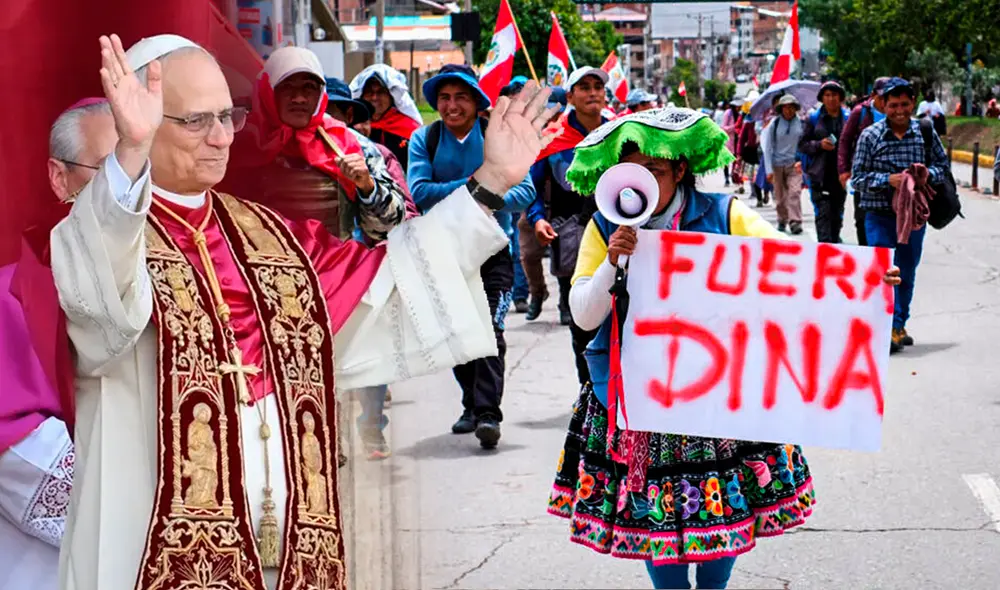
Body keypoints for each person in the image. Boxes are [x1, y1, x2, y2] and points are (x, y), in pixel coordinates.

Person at [51, 33, 558, 590]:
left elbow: (391, 278)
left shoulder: (271, 236)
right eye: (196, 121)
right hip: (150, 545)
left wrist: (490, 185)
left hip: (290, 539)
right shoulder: (105, 230)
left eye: (228, 116)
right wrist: (129, 156)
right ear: (141, 120)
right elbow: (100, 311)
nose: (221, 138)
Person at [548, 108, 815, 589]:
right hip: (645, 402)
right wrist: (612, 263)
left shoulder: (725, 214)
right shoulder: (603, 228)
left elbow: (793, 266)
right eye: (631, 170)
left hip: (721, 395)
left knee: (726, 518)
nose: (642, 182)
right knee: (660, 521)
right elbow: (585, 315)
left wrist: (863, 283)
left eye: (654, 170)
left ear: (680, 171)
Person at [0, 98, 117, 590]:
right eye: (111, 171)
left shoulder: (192, 288)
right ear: (59, 178)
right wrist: (143, 504)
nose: (134, 195)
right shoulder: (10, 299)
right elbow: (14, 447)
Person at [407, 64, 536, 448]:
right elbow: (419, 190)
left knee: (489, 331)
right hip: (444, 254)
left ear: (476, 100)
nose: (451, 105)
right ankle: (470, 404)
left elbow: (524, 191)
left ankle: (488, 414)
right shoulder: (424, 139)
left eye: (460, 96)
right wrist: (473, 187)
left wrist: (487, 196)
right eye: (444, 98)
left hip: (494, 251)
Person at [325, 75, 421, 460]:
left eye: (331, 109)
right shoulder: (279, 150)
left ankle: (369, 426)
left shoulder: (370, 154)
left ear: (347, 114)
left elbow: (400, 217)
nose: (323, 117)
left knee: (371, 351)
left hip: (362, 267)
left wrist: (366, 187)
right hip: (306, 277)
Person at [226, 47, 407, 242]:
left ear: (321, 94)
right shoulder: (236, 145)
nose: (299, 98)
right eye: (287, 87)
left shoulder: (352, 144)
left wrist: (367, 187)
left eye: (309, 87)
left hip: (333, 266)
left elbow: (391, 228)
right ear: (269, 91)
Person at [526, 66, 610, 387]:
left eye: (597, 87)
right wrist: (538, 219)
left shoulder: (620, 133)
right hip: (570, 236)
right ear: (571, 96)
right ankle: (588, 392)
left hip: (615, 236)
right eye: (584, 87)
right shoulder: (553, 139)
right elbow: (532, 185)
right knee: (582, 320)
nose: (592, 93)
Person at [852, 77, 948, 354]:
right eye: (893, 105)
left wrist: (926, 176)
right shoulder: (869, 136)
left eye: (905, 104)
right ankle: (885, 325)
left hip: (913, 217)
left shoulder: (925, 133)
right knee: (885, 272)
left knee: (906, 272)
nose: (899, 110)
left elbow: (943, 168)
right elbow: (857, 179)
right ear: (883, 105)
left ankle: (898, 325)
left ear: (913, 104)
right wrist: (888, 180)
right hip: (879, 215)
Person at [838, 77, 890, 246]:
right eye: (882, 97)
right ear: (873, 95)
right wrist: (844, 170)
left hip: (890, 175)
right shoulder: (860, 113)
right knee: (862, 218)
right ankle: (866, 253)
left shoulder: (896, 111)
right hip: (863, 174)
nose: (885, 102)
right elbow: (845, 141)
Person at [799, 80, 849, 243]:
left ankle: (834, 243)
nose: (831, 99)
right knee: (822, 214)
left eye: (834, 95)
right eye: (827, 95)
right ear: (822, 98)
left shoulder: (848, 119)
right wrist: (819, 145)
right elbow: (802, 144)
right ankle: (825, 250)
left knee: (836, 215)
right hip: (819, 176)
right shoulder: (813, 119)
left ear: (840, 97)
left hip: (841, 176)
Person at [350, 64, 422, 168]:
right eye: (369, 92)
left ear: (391, 97)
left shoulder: (409, 129)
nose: (374, 97)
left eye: (381, 92)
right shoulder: (354, 128)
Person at [763, 94, 805, 234]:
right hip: (777, 165)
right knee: (780, 197)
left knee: (794, 192)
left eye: (791, 107)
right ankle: (782, 219)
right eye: (785, 107)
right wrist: (768, 169)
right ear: (781, 109)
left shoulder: (802, 123)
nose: (788, 110)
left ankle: (795, 221)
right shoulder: (774, 125)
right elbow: (767, 147)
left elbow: (804, 143)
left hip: (794, 164)